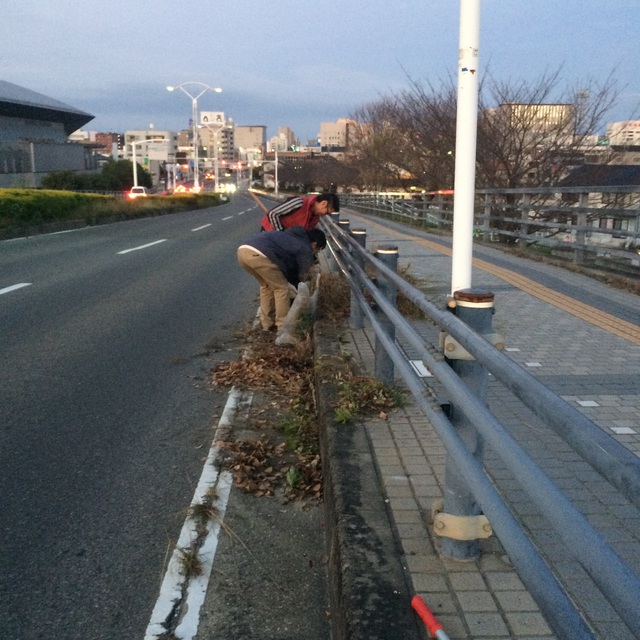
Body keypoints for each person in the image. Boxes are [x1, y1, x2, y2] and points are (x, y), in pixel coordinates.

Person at [237, 226, 327, 332]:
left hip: (243, 251)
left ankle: (266, 324)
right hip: (260, 255)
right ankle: (282, 325)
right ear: (314, 244)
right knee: (281, 288)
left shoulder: (291, 236)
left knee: (266, 286)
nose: (315, 252)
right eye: (317, 250)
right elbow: (304, 274)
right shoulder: (305, 248)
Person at [260, 193, 340, 231]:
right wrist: (281, 233)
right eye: (326, 213)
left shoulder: (314, 218)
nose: (324, 215)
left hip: (284, 240)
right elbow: (273, 214)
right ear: (324, 203)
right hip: (269, 233)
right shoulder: (299, 202)